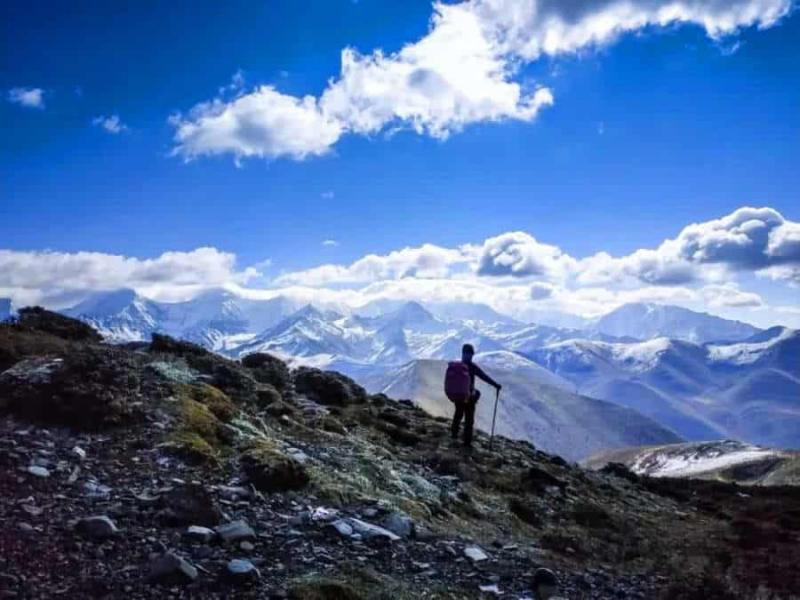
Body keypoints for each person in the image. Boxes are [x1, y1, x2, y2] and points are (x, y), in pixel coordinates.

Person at [451, 343, 501, 447]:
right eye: (470, 354)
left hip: (458, 397)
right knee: (469, 420)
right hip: (469, 397)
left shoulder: (457, 366)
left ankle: (454, 436)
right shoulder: (472, 367)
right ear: (470, 354)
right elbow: (484, 377)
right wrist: (495, 385)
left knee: (458, 416)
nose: (470, 356)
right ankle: (467, 443)